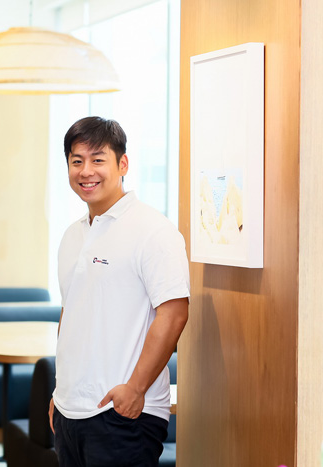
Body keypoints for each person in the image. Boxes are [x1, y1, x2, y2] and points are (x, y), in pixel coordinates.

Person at [49, 116, 190, 467]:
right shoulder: (72, 235)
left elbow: (174, 313)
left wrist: (136, 389)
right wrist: (60, 391)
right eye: (77, 161)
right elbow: (70, 314)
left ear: (122, 164)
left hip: (123, 414)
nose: (86, 171)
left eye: (98, 159)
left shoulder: (152, 230)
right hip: (69, 412)